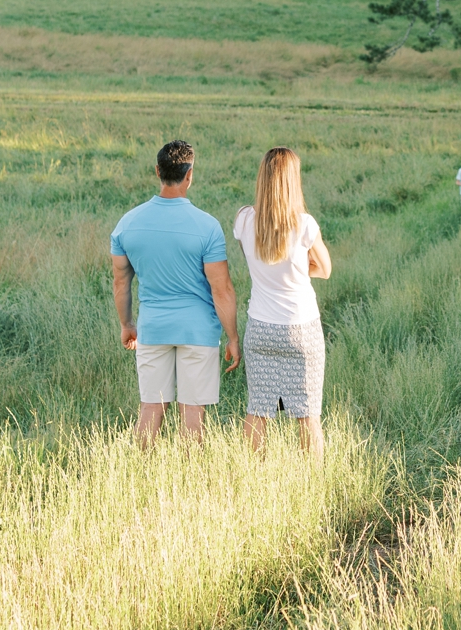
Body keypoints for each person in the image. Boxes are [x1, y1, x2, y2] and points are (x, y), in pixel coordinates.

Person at [111, 140, 240, 449]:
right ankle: (189, 482)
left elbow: (120, 282)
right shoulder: (207, 226)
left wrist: (127, 325)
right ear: (189, 175)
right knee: (192, 411)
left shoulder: (127, 223)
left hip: (153, 328)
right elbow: (221, 289)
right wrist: (233, 337)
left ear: (158, 171)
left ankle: (138, 477)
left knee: (150, 409)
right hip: (198, 331)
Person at [231, 147, 332, 459]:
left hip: (260, 328)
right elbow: (325, 270)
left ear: (263, 178)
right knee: (307, 413)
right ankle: (311, 484)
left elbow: (257, 259)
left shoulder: (244, 220)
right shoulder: (304, 225)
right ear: (293, 181)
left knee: (258, 409)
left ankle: (252, 479)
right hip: (300, 329)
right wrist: (300, 270)